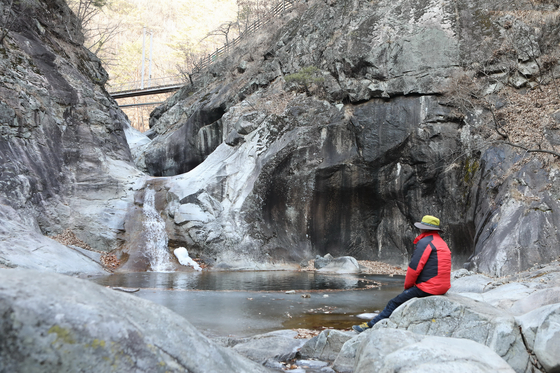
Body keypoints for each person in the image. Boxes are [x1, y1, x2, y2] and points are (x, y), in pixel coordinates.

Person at [352, 215, 452, 333]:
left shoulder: (425, 242)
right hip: (443, 287)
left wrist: (408, 287)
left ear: (424, 229)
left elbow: (414, 268)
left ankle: (369, 327)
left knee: (394, 302)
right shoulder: (442, 243)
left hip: (429, 287)